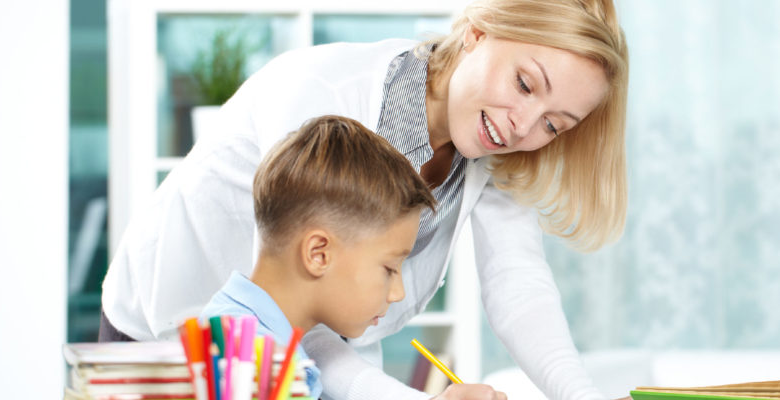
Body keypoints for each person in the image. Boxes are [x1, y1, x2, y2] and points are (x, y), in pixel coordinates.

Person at [100, 0, 629, 398]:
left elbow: (520, 289)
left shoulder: (492, 139)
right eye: (523, 83)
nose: (522, 125)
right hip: (173, 336)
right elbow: (301, 297)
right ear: (476, 32)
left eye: (554, 125)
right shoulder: (322, 96)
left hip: (300, 361)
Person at [199, 115, 504, 400]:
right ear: (319, 254)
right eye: (389, 268)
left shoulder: (252, 339)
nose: (398, 293)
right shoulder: (247, 362)